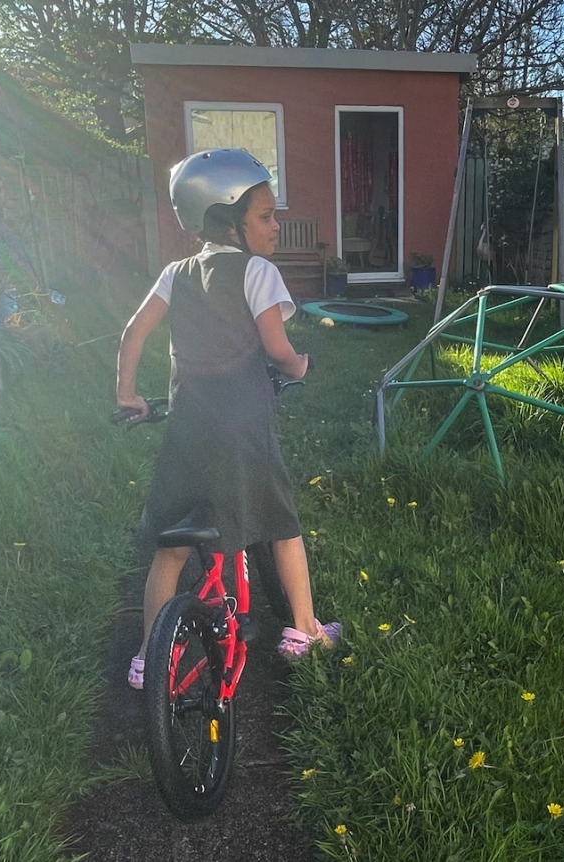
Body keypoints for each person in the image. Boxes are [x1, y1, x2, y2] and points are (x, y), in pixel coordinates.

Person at [116, 148, 341, 689]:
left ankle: (148, 656)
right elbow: (276, 347)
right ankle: (305, 630)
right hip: (244, 434)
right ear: (228, 222)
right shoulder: (257, 271)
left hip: (187, 433)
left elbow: (133, 333)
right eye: (264, 216)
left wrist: (128, 392)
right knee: (283, 528)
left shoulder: (176, 273)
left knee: (170, 546)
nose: (275, 226)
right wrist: (299, 364)